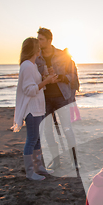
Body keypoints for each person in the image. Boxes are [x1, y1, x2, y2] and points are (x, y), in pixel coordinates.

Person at [13, 37, 58, 180]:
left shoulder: (31, 65)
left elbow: (36, 86)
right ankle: (30, 172)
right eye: (38, 46)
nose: (40, 49)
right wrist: (46, 80)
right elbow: (29, 90)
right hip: (31, 110)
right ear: (34, 49)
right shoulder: (26, 66)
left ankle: (39, 167)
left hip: (38, 108)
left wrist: (48, 78)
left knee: (38, 139)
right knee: (32, 139)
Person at [35, 27, 79, 169]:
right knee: (47, 131)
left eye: (41, 39)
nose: (38, 42)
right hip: (44, 98)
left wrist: (60, 77)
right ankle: (56, 160)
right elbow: (33, 78)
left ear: (49, 40)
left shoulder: (62, 55)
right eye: (38, 39)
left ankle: (75, 160)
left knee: (67, 128)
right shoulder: (36, 57)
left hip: (62, 97)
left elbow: (74, 77)